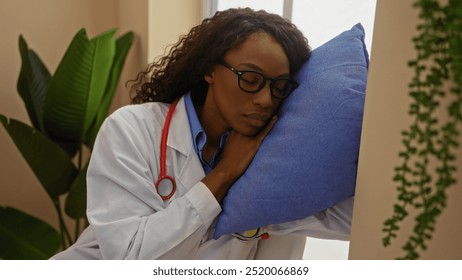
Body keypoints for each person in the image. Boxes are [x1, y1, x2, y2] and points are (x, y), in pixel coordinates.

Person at [52, 7, 353, 260]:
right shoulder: (131, 129)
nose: (265, 99)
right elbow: (130, 257)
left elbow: (352, 220)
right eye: (250, 79)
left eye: (279, 86)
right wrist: (223, 174)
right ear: (210, 70)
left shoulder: (275, 163)